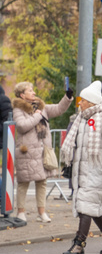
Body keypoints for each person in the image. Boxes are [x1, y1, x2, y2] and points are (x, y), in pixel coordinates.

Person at [60, 80, 102, 254]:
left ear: (91, 101)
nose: (79, 103)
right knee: (91, 207)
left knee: (86, 206)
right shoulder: (82, 118)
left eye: (82, 100)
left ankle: (79, 244)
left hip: (99, 170)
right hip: (82, 169)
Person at [12, 81, 74, 222]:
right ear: (22, 95)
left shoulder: (41, 106)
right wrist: (38, 116)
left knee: (42, 182)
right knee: (23, 183)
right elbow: (22, 126)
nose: (34, 92)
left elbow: (58, 109)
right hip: (27, 153)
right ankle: (20, 213)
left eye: (33, 90)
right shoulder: (18, 109)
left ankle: (42, 213)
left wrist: (67, 97)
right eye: (30, 90)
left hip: (41, 152)